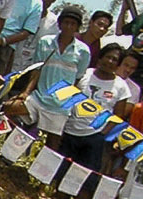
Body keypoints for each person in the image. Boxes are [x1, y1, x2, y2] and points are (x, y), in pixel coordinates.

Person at [55, 43, 131, 199]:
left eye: (115, 60)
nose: (110, 61)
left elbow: (119, 115)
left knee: (87, 180)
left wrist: (104, 133)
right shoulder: (84, 75)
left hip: (95, 138)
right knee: (63, 173)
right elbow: (66, 96)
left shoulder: (121, 86)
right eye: (108, 57)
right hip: (71, 130)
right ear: (101, 57)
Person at [7, 2, 90, 146]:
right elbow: (36, 70)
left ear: (77, 27)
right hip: (39, 97)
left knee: (52, 145)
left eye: (73, 24)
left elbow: (77, 79)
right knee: (8, 108)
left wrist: (68, 104)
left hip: (60, 105)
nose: (69, 27)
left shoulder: (83, 51)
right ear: (60, 24)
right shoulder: (45, 42)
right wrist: (26, 92)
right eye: (66, 22)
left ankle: (40, 168)